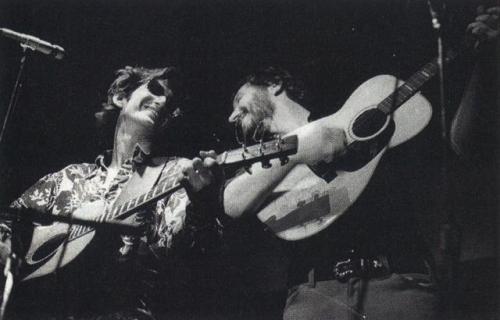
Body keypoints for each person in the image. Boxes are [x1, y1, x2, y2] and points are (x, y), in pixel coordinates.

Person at [195, 6, 499, 320]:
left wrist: (485, 62)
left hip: (401, 288)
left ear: (273, 84)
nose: (232, 116)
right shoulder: (260, 158)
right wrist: (302, 147)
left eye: (238, 100)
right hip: (314, 297)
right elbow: (233, 203)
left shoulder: (359, 108)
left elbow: (465, 142)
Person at [0, 66, 219, 319]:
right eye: (156, 90)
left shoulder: (175, 173)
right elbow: (7, 225)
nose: (162, 100)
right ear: (121, 97)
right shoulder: (68, 178)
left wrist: (204, 208)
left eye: (171, 102)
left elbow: (192, 259)